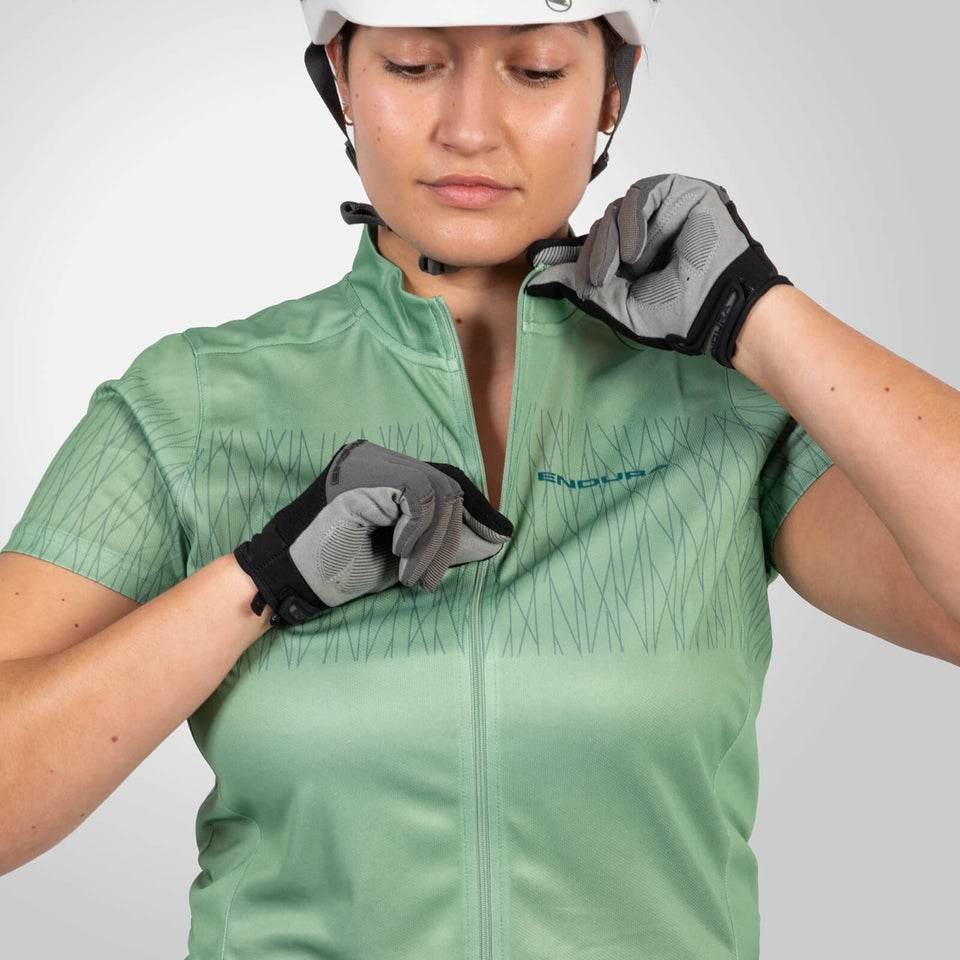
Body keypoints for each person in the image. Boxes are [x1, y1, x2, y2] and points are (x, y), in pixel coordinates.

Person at [1, 2, 958, 958]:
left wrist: (760, 314)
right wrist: (261, 580)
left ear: (612, 93)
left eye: (536, 71)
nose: (469, 129)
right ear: (340, 79)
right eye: (414, 66)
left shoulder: (726, 401)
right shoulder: (191, 403)